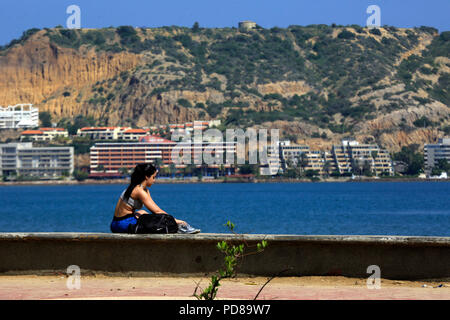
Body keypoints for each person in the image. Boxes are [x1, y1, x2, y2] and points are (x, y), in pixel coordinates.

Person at [111, 163, 200, 234]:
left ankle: (176, 226)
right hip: (121, 224)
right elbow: (157, 211)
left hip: (117, 222)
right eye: (153, 177)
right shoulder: (139, 191)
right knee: (156, 224)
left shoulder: (140, 189)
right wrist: (177, 221)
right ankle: (179, 228)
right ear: (147, 177)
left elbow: (155, 209)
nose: (154, 180)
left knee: (143, 213)